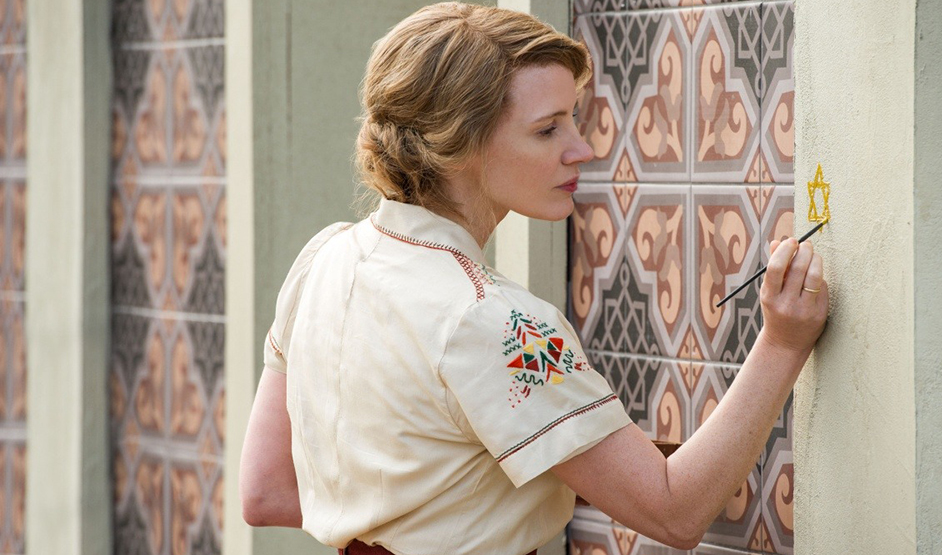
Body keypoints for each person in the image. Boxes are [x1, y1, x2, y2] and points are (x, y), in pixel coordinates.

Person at [239, 3, 829, 555]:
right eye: (548, 130)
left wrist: (473, 486)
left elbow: (266, 492)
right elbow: (675, 511)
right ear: (458, 145)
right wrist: (783, 343)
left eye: (573, 119)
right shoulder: (498, 323)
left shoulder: (323, 260)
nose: (582, 149)